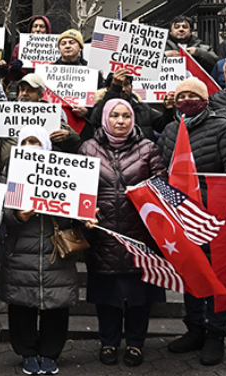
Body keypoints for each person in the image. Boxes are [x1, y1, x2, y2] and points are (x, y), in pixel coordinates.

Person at [157, 77, 226, 366]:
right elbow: (161, 166)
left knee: (217, 279)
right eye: (181, 94)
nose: (186, 99)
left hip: (211, 217)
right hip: (180, 215)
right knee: (192, 275)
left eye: (191, 95)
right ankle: (194, 329)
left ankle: (216, 334)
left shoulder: (221, 127)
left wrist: (206, 198)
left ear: (204, 99)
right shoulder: (172, 129)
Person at [79, 99, 167, 367]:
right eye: (115, 115)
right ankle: (108, 342)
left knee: (139, 297)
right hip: (102, 234)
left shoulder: (148, 148)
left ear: (133, 119)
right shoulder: (87, 148)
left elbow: (162, 186)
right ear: (105, 118)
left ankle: (136, 344)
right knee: (107, 295)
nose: (120, 121)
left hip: (139, 235)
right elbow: (78, 189)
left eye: (126, 116)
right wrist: (86, 212)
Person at [0, 126, 81, 375]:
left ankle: (50, 352)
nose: (31, 146)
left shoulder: (65, 169)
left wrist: (83, 215)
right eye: (26, 141)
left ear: (46, 144)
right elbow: (0, 212)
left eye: (36, 141)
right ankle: (27, 352)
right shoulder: (9, 172)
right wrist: (17, 216)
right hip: (21, 249)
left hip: (55, 249)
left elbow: (76, 204)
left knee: (56, 304)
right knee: (22, 303)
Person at [0, 74, 79, 171]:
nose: (24, 93)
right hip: (7, 171)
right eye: (22, 89)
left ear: (40, 96)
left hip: (38, 170)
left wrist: (68, 135)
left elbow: (76, 141)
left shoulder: (49, 114)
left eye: (30, 90)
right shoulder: (4, 112)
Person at [90, 69, 175, 142]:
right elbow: (96, 119)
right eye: (119, 85)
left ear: (131, 86)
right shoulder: (101, 106)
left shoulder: (142, 108)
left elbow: (164, 127)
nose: (123, 89)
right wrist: (115, 90)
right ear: (108, 89)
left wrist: (169, 110)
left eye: (126, 84)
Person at [7, 15, 52, 83]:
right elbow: (11, 76)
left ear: (47, 29)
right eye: (35, 26)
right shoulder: (19, 48)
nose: (37, 29)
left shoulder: (55, 48)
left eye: (41, 26)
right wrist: (13, 70)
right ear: (31, 29)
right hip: (26, 87)